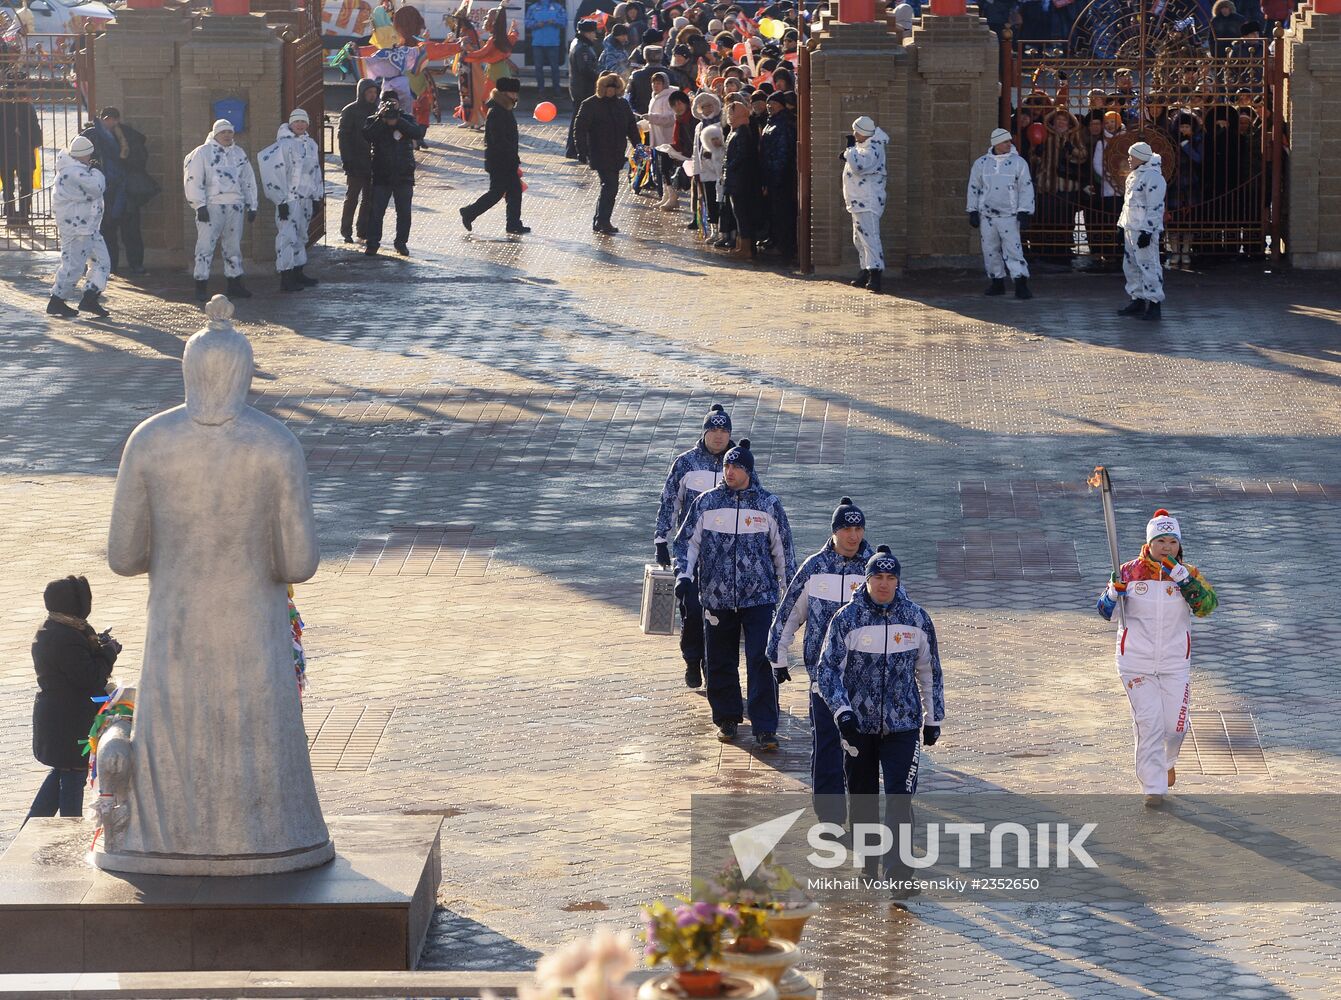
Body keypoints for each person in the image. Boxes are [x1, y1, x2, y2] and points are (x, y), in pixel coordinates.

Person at [815, 545, 944, 899]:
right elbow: (827, 671)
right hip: (859, 727)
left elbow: (929, 671)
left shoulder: (916, 619)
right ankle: (869, 860)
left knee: (900, 797)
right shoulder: (846, 619)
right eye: (877, 577)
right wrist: (842, 713)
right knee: (863, 797)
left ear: (898, 580)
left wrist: (933, 719)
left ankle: (900, 875)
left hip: (903, 726)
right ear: (867, 579)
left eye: (890, 578)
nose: (884, 584)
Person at [673, 439, 796, 750]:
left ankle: (765, 726)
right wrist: (684, 576)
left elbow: (784, 552)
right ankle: (727, 718)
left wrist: (789, 593)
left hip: (760, 599)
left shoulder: (768, 505)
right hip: (716, 598)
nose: (729, 471)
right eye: (726, 465)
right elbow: (686, 543)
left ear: (749, 471)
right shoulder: (706, 503)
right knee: (720, 660)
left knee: (761, 659)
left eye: (736, 466)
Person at [1096, 510, 1217, 808]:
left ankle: (1167, 761)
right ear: (1149, 543)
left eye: (1172, 541)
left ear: (1179, 544)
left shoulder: (1189, 573)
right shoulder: (1128, 571)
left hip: (1175, 662)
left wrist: (1184, 579)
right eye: (1160, 541)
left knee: (1175, 727)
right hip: (1135, 661)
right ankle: (1153, 787)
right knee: (1148, 723)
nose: (1166, 547)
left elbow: (1207, 607)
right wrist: (1113, 593)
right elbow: (1103, 610)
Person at [767, 497, 874, 825]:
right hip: (823, 678)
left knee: (860, 751)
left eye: (858, 529)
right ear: (835, 531)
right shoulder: (815, 568)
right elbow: (789, 613)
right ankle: (829, 819)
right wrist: (777, 655)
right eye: (847, 529)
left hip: (865, 680)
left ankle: (862, 817)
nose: (853, 536)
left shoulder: (876, 569)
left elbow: (902, 618)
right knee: (827, 747)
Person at [654, 403, 735, 689]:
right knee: (691, 608)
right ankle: (692, 657)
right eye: (713, 430)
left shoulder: (738, 464)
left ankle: (711, 663)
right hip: (690, 552)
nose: (718, 436)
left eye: (724, 430)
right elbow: (669, 501)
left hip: (726, 557)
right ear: (704, 432)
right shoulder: (685, 463)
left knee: (720, 615)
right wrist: (661, 539)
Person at [27, 575, 121, 820]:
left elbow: (79, 665)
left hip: (61, 717)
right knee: (73, 776)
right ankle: (71, 828)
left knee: (62, 772)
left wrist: (99, 646)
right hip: (68, 721)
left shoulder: (58, 628)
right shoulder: (64, 637)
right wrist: (109, 653)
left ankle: (31, 828)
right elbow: (91, 678)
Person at [183, 119, 258, 303]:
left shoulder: (238, 153)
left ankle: (235, 283)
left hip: (235, 206)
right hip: (211, 207)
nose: (227, 135)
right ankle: (201, 284)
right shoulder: (202, 153)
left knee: (233, 247)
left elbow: (248, 180)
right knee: (205, 247)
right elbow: (193, 178)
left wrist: (252, 204)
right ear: (215, 134)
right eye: (223, 132)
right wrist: (199, 205)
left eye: (230, 132)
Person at [258, 108, 324, 293]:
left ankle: (298, 271)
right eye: (297, 122)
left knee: (302, 236)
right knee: (287, 237)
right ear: (291, 124)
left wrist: (317, 196)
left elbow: (315, 172)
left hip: (306, 199)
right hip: (289, 199)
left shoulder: (311, 144)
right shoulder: (283, 145)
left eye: (303, 122)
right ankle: (286, 277)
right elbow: (273, 172)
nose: (300, 125)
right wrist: (281, 201)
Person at [47, 136, 112, 320]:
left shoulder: (79, 169)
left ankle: (90, 296)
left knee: (102, 262)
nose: (90, 158)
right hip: (76, 229)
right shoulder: (72, 172)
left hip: (88, 227)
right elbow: (96, 187)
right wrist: (98, 171)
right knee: (73, 266)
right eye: (89, 155)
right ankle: (57, 300)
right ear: (82, 155)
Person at [967, 127, 1035, 300]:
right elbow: (974, 187)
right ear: (996, 143)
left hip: (1009, 215)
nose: (1008, 144)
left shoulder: (1019, 163)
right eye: (1005, 141)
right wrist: (972, 210)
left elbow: (1026, 188)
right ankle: (996, 281)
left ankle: (1020, 282)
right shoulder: (981, 164)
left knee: (1013, 249)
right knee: (990, 249)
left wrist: (1024, 211)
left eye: (1009, 141)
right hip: (987, 216)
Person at [81, 108, 149, 276]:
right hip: (103, 192)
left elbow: (140, 159)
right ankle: (110, 267)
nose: (110, 122)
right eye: (107, 119)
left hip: (126, 191)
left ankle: (136, 264)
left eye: (113, 119)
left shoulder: (129, 136)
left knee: (131, 231)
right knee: (106, 232)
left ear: (118, 119)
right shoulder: (92, 136)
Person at [574, 73, 643, 235]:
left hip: (617, 152)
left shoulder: (622, 105)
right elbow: (580, 128)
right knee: (610, 186)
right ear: (601, 88)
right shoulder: (590, 104)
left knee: (609, 187)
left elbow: (631, 127)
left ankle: (600, 220)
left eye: (614, 88)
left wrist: (638, 145)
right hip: (599, 152)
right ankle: (603, 221)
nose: (610, 91)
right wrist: (581, 151)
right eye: (607, 88)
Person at [459, 77, 529, 235]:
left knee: (514, 191)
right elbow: (498, 140)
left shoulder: (504, 108)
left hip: (504, 160)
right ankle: (469, 212)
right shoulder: (497, 111)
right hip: (500, 161)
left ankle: (513, 224)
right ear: (504, 93)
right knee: (496, 193)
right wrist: (511, 156)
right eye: (512, 92)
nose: (515, 96)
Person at [362, 90, 425, 257]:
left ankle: (401, 243)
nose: (391, 106)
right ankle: (372, 243)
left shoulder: (407, 119)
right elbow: (368, 135)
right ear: (381, 104)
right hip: (382, 173)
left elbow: (418, 133)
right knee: (376, 211)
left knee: (404, 212)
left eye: (393, 103)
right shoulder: (374, 120)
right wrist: (382, 120)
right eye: (387, 103)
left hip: (404, 173)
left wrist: (398, 121)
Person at [1116, 141, 1167, 321]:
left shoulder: (1153, 177)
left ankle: (1154, 303)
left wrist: (1148, 231)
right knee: (1131, 266)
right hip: (1131, 227)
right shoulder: (1134, 175)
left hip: (1143, 230)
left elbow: (1155, 207)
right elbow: (1128, 204)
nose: (1129, 159)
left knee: (1148, 265)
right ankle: (1137, 299)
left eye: (1132, 156)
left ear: (1141, 157)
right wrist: (1121, 226)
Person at [841, 115, 888, 293]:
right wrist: (850, 154)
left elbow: (861, 166)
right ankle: (865, 270)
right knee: (859, 239)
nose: (854, 134)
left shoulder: (874, 147)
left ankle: (875, 273)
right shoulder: (864, 146)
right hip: (858, 200)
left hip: (867, 200)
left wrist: (850, 151)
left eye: (856, 131)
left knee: (870, 237)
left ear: (864, 133)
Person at [339, 79, 380, 244]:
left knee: (369, 199)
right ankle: (346, 230)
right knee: (352, 197)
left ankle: (362, 230)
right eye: (369, 92)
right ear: (361, 93)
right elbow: (343, 137)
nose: (372, 95)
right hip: (355, 160)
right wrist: (347, 160)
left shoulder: (377, 111)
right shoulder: (350, 111)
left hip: (373, 161)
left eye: (374, 92)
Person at [721, 100, 763, 259]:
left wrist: (729, 166)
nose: (729, 116)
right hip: (734, 179)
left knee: (742, 214)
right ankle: (741, 245)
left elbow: (741, 156)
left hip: (740, 180)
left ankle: (746, 248)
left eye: (731, 113)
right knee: (738, 213)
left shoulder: (743, 132)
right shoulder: (735, 131)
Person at [759, 90, 797, 260]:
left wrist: (776, 175)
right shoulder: (771, 122)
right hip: (770, 175)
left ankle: (784, 247)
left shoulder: (782, 124)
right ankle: (775, 241)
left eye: (773, 103)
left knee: (782, 213)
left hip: (780, 178)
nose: (769, 106)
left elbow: (782, 153)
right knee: (774, 212)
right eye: (768, 103)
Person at [0, 79, 41, 226]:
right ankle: (23, 216)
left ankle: (10, 217)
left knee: (8, 187)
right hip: (24, 152)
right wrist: (33, 141)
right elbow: (36, 134)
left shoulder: (1, 107)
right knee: (26, 187)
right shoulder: (27, 108)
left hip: (4, 153)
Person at [566, 19, 602, 159]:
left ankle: (574, 148)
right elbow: (585, 69)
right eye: (593, 32)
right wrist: (600, 77)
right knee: (581, 120)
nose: (595, 35)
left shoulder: (580, 44)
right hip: (583, 89)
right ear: (588, 33)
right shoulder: (582, 48)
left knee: (578, 119)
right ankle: (575, 149)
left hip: (579, 87)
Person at [690, 92, 724, 239]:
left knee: (720, 200)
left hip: (717, 169)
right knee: (709, 200)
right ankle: (713, 229)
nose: (707, 109)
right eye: (703, 107)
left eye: (709, 106)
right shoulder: (699, 126)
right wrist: (696, 170)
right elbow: (695, 149)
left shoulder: (721, 123)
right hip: (704, 170)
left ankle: (723, 230)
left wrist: (714, 152)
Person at [526, 0, 567, 97]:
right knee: (538, 68)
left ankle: (557, 91)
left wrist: (555, 22)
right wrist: (536, 24)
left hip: (553, 43)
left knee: (555, 68)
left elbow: (564, 22)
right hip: (537, 43)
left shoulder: (558, 7)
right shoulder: (532, 8)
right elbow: (527, 23)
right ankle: (541, 91)